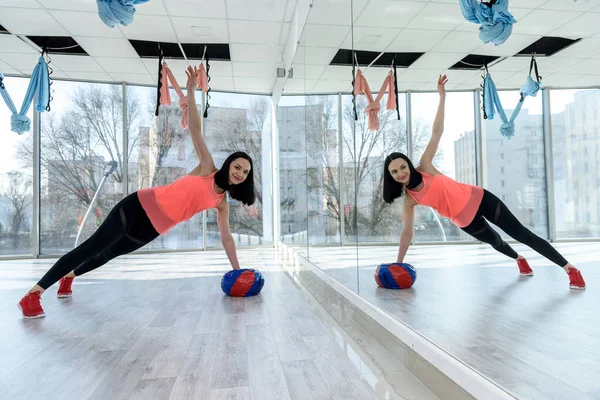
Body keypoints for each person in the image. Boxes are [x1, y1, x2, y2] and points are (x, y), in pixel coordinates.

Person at [18, 66, 256, 318]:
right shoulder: (207, 167)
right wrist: (189, 91)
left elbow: (227, 238)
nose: (239, 173)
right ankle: (32, 294)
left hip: (153, 229)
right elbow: (196, 130)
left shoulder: (221, 203)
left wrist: (238, 270)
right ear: (229, 163)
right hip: (138, 206)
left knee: (108, 254)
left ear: (245, 180)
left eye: (244, 172)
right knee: (92, 247)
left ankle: (69, 277)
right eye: (237, 166)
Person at [383, 74, 585, 290]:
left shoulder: (425, 166)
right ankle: (519, 258)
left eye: (402, 166)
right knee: (496, 241)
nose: (401, 172)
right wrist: (399, 262)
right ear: (391, 177)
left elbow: (437, 133)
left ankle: (570, 269)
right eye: (395, 172)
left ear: (408, 164)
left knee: (521, 233)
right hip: (465, 220)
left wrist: (442, 97)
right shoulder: (409, 200)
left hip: (479, 198)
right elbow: (407, 233)